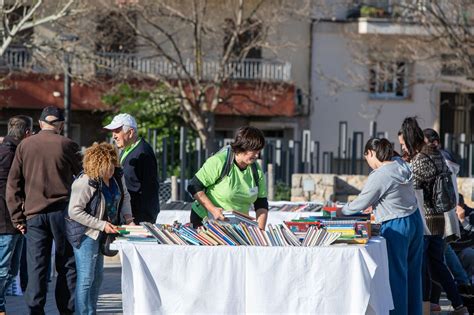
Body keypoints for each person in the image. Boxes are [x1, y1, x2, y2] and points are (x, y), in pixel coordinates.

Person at [6, 106, 82, 315]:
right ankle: (67, 310)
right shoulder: (68, 145)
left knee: (36, 266)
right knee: (66, 264)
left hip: (34, 215)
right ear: (61, 125)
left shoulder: (25, 146)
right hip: (63, 213)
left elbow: (13, 184)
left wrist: (17, 217)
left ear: (40, 124)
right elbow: (84, 176)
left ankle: (35, 310)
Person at [342, 138, 423, 314]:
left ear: (370, 153)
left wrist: (341, 211)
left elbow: (361, 203)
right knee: (413, 275)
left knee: (396, 276)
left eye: (367, 159)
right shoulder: (400, 163)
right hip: (415, 220)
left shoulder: (381, 174)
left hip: (396, 225)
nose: (369, 164)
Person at [398, 117, 468, 315]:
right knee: (437, 265)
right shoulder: (436, 154)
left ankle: (424, 308)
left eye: (403, 144)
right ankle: (459, 305)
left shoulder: (419, 159)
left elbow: (412, 187)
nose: (402, 147)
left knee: (422, 267)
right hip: (439, 218)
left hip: (425, 220)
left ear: (410, 139)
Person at [67, 142, 134, 315]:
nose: (111, 173)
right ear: (98, 166)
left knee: (97, 278)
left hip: (102, 232)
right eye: (108, 169)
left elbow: (125, 197)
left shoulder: (117, 176)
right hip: (85, 233)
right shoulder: (86, 181)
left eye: (113, 168)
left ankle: (91, 311)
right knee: (86, 278)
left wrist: (129, 218)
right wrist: (102, 225)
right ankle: (83, 312)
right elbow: (74, 211)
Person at [187, 126, 269, 230]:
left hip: (238, 225)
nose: (257, 155)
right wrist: (213, 210)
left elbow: (261, 203)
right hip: (206, 220)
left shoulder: (256, 169)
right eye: (254, 151)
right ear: (242, 147)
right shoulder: (219, 161)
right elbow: (193, 186)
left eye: (259, 151)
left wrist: (260, 231)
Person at [0, 116, 32, 314]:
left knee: (9, 269)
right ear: (27, 133)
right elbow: (12, 190)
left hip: (9, 220)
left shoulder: (6, 151)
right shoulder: (13, 156)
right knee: (5, 268)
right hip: (8, 221)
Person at [104, 113, 159, 224]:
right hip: (129, 213)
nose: (114, 136)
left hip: (138, 216)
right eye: (112, 132)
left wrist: (143, 220)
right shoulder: (128, 148)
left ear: (130, 132)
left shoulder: (143, 153)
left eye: (117, 131)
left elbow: (150, 188)